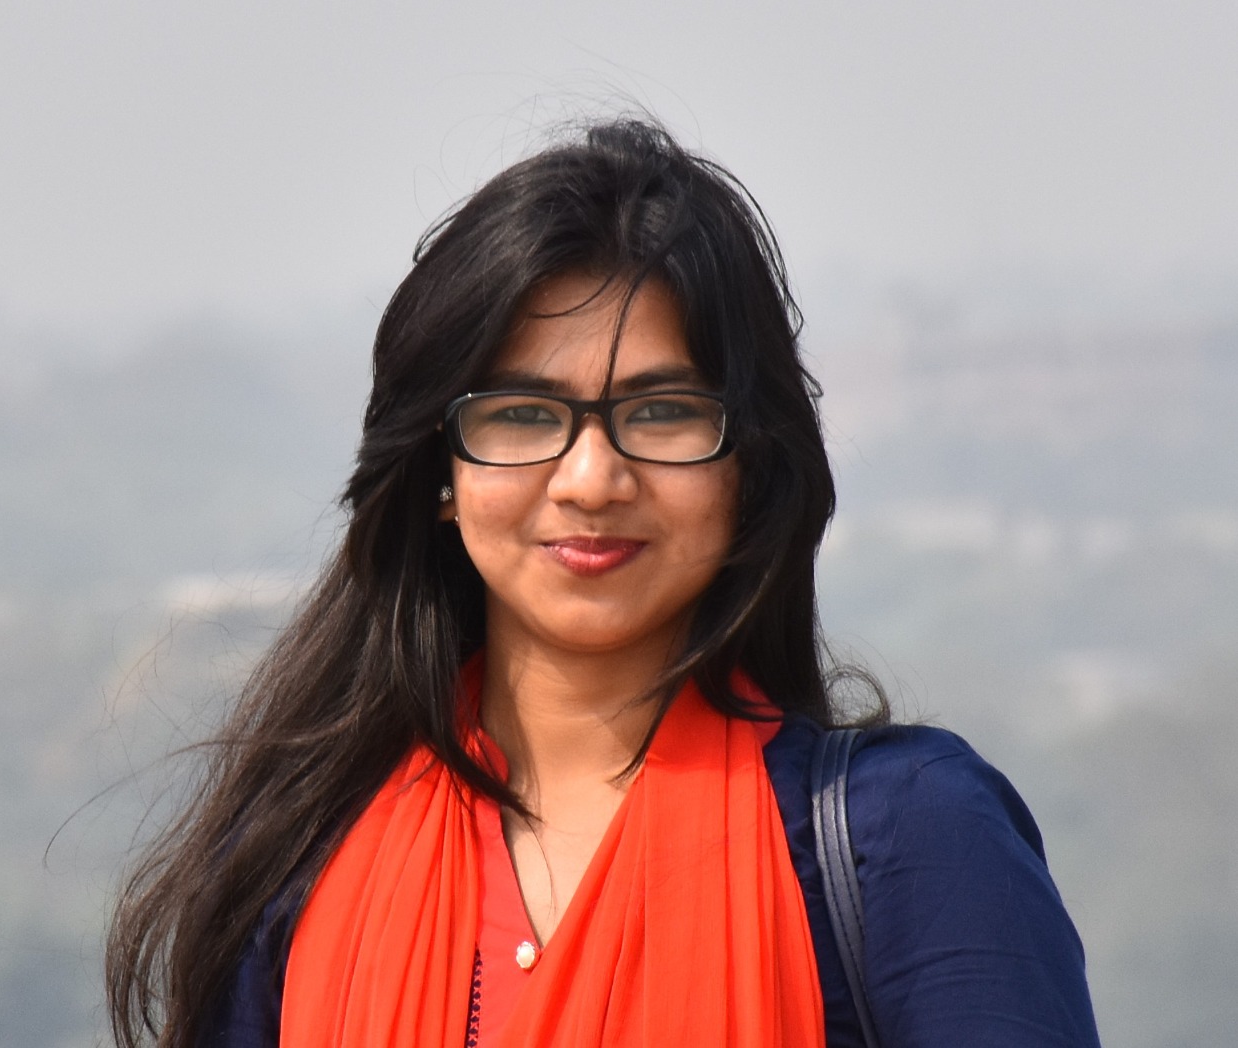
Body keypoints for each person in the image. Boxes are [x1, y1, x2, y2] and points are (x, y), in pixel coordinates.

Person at [106, 118, 1102, 1048]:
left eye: (662, 412)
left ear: (749, 466)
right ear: (440, 472)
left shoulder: (912, 843)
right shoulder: (300, 860)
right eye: (522, 415)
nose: (592, 479)